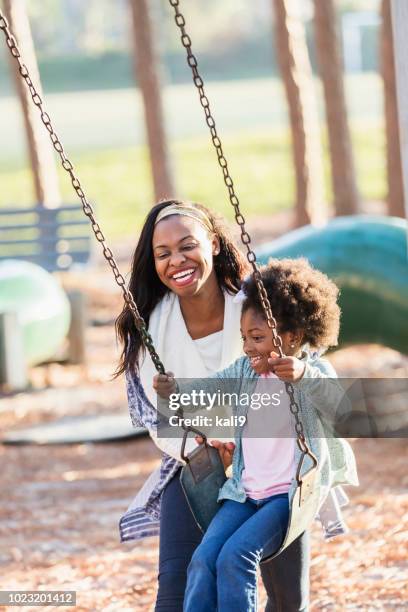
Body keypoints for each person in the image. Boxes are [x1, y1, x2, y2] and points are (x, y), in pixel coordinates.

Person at [117, 200, 319, 611]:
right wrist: (202, 447)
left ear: (211, 242)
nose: (177, 261)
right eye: (163, 253)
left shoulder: (254, 304)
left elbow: (307, 359)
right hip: (195, 461)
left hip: (275, 464)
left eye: (187, 245)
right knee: (180, 583)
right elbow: (161, 419)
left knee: (286, 598)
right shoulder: (149, 328)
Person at [154, 258, 359, 612]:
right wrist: (173, 390)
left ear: (292, 337)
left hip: (287, 496)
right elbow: (204, 392)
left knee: (236, 557)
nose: (248, 347)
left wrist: (303, 375)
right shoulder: (245, 372)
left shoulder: (314, 372)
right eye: (244, 338)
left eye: (258, 338)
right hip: (245, 493)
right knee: (203, 559)